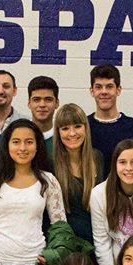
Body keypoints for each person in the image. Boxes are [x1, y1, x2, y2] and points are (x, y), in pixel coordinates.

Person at [0, 119, 66, 265]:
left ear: (37, 146)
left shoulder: (48, 181)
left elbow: (60, 227)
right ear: (7, 145)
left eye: (29, 142)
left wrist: (51, 256)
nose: (22, 148)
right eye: (16, 142)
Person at [52, 103, 104, 243]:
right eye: (65, 128)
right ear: (58, 132)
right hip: (66, 244)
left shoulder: (98, 158)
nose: (72, 133)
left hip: (97, 241)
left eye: (77, 126)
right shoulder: (51, 165)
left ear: (85, 128)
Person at [26, 75, 60, 154]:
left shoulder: (64, 138)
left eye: (48, 99)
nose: (42, 105)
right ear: (29, 103)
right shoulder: (18, 136)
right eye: (36, 100)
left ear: (57, 103)